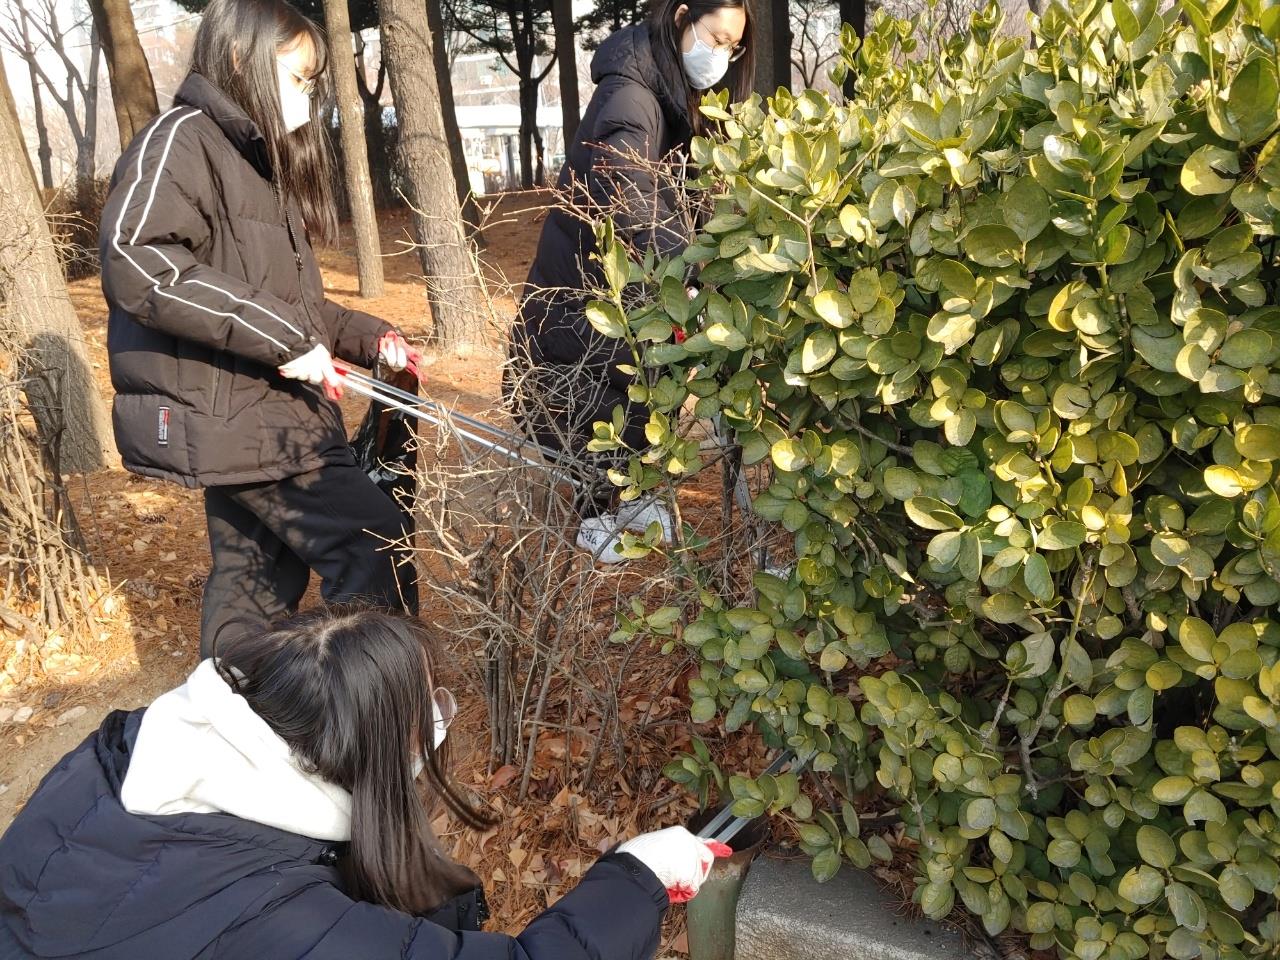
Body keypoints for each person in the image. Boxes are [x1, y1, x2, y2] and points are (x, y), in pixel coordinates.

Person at [0, 609, 729, 958]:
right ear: (375, 757)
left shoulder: (116, 763)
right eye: (427, 722)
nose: (438, 735)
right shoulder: (280, 921)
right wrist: (639, 875)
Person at [99, 0, 422, 658]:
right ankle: (374, 721)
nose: (308, 96)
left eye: (313, 82)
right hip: (246, 417)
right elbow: (138, 258)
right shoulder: (180, 141)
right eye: (297, 77)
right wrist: (284, 339)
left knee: (255, 579)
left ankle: (230, 718)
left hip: (261, 417)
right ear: (243, 59)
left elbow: (291, 312)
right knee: (372, 543)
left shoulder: (255, 161)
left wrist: (367, 336)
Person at [508, 0, 754, 563]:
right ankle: (597, 516)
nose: (720, 57)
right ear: (682, 17)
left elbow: (680, 197)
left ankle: (624, 500)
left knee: (638, 387)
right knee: (599, 395)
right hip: (583, 295)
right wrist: (684, 275)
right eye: (715, 39)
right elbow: (632, 195)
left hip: (621, 292)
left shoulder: (669, 95)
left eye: (731, 47)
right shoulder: (632, 95)